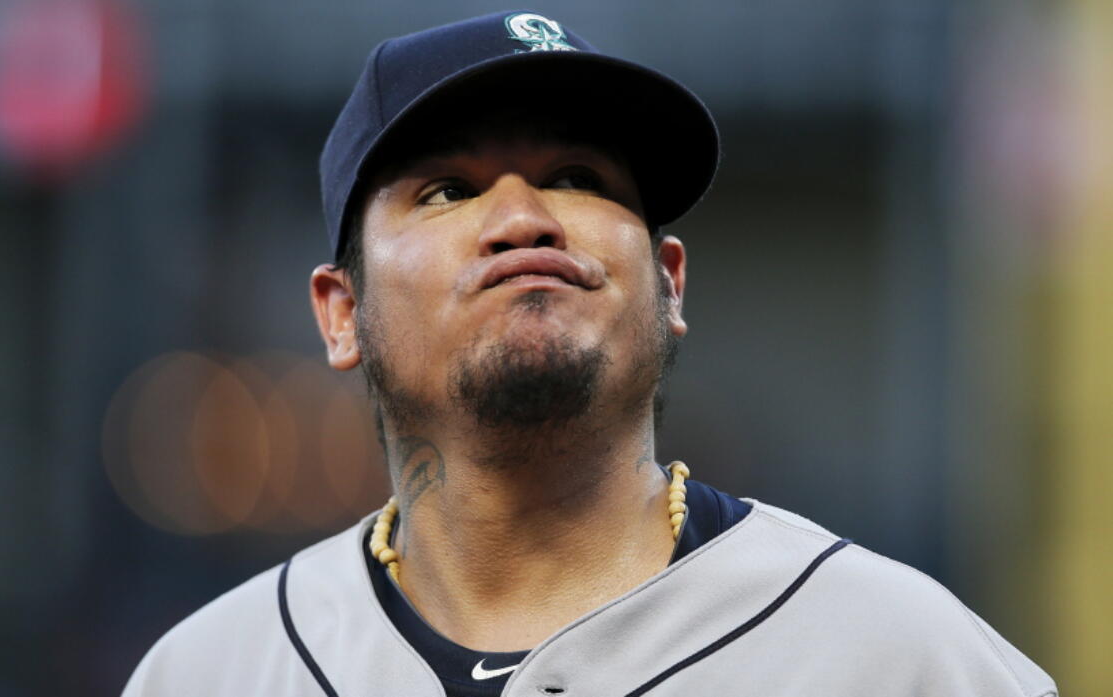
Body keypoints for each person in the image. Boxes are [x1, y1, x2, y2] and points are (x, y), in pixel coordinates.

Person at [123, 11, 1057, 697]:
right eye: (448, 189)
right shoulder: (212, 670)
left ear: (670, 282)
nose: (525, 219)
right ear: (341, 312)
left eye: (579, 178)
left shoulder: (898, 657)